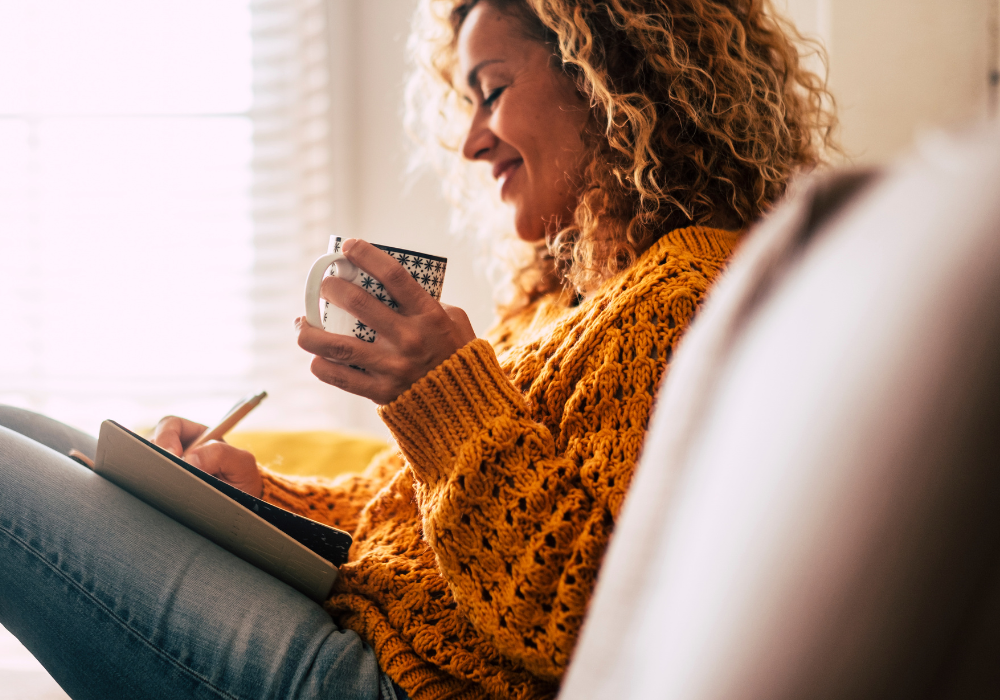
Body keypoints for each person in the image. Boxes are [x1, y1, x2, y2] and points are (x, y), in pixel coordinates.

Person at [0, 1, 835, 698]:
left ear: (610, 77)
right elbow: (408, 524)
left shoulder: (686, 297)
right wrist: (259, 500)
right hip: (373, 627)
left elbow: (593, 631)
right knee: (29, 433)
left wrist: (443, 397)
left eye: (492, 91)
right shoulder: (560, 300)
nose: (473, 141)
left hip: (398, 682)